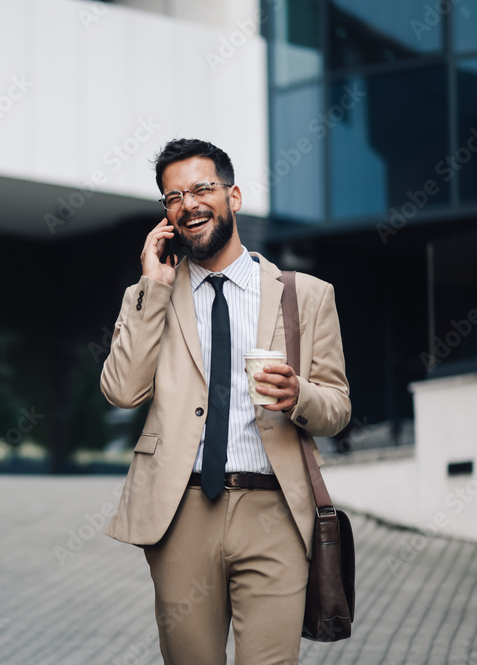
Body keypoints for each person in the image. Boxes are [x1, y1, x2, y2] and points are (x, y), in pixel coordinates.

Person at [101, 139, 351, 665]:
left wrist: (298, 395)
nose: (188, 203)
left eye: (201, 188)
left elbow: (337, 408)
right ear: (166, 215)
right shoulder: (154, 294)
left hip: (275, 512)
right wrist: (152, 284)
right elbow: (122, 390)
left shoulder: (304, 294)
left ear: (233, 196)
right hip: (181, 513)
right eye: (173, 196)